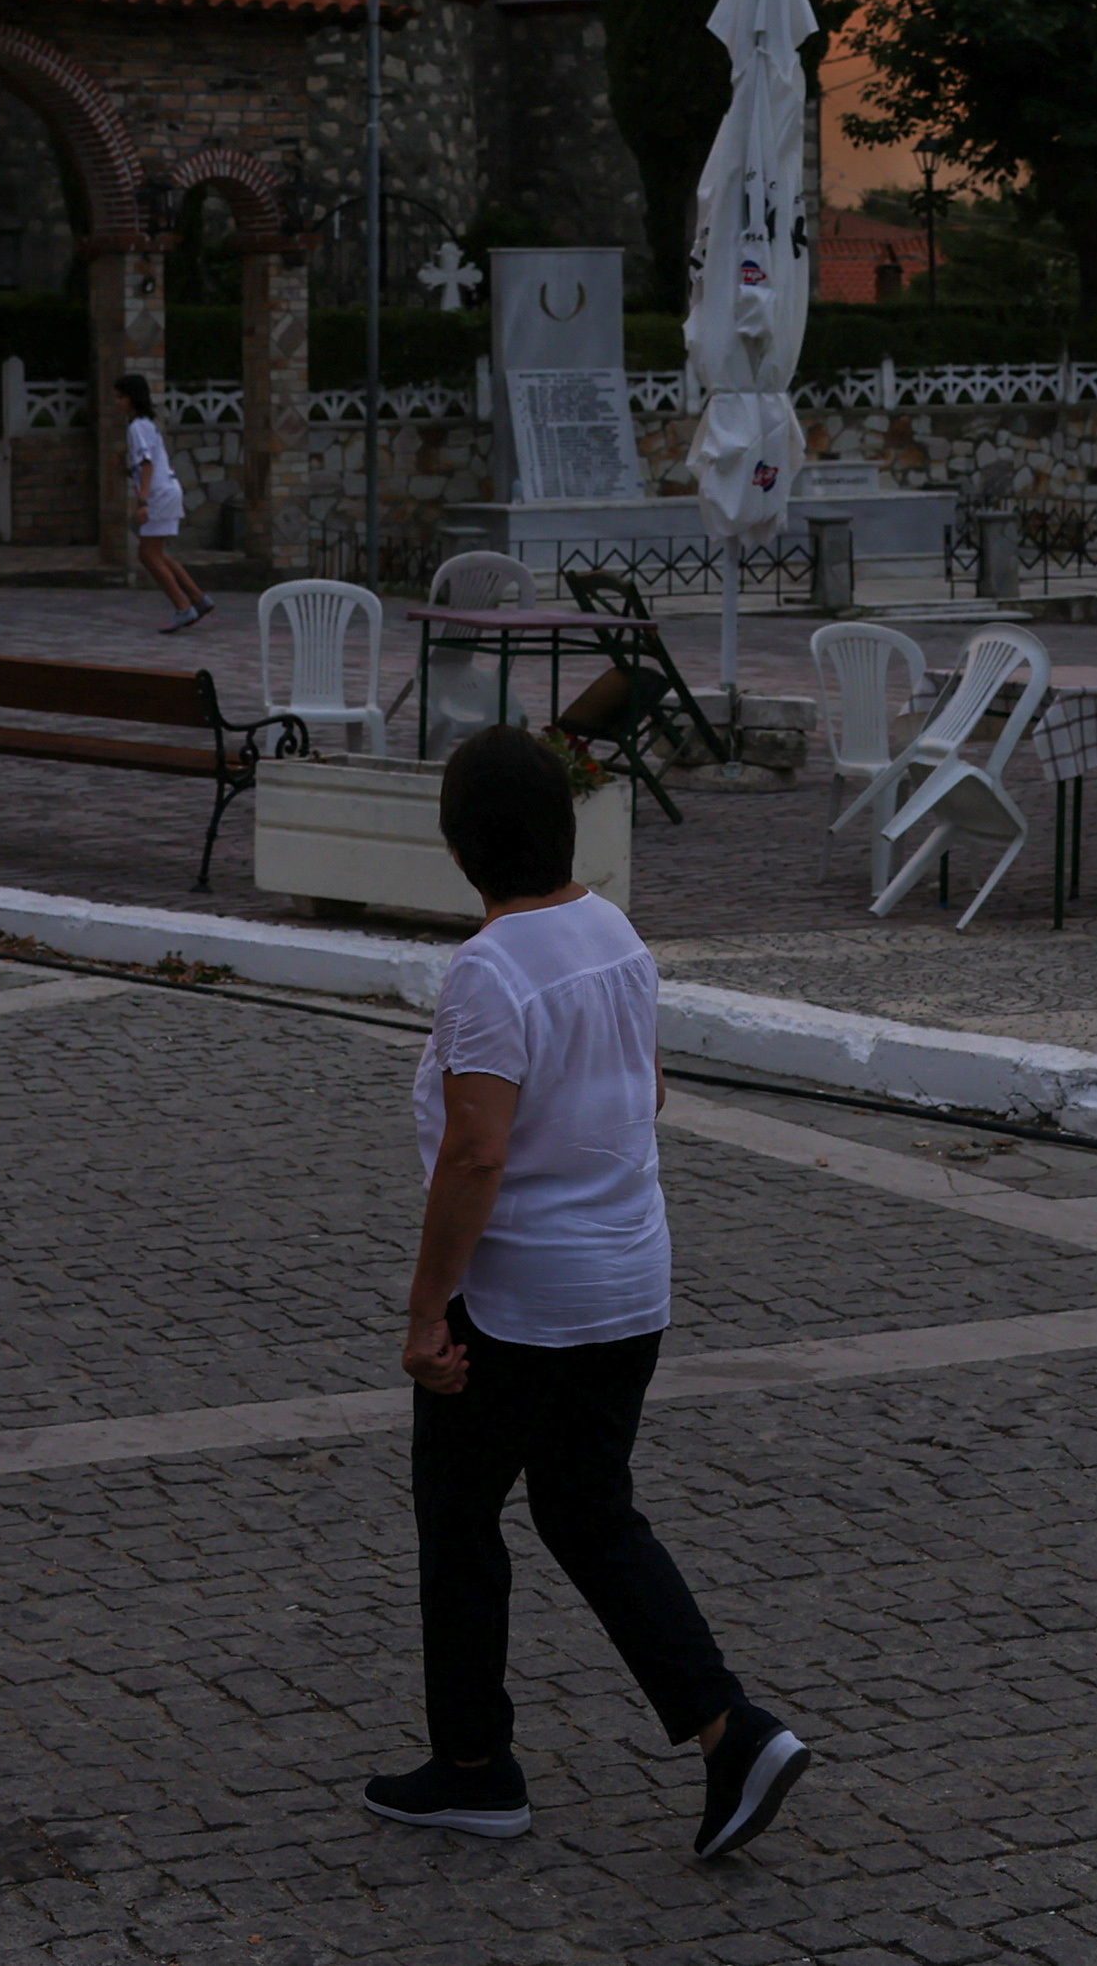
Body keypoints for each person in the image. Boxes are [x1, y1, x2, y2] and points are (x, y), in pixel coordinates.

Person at [368, 726, 811, 1861]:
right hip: (629, 1286)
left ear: (460, 850)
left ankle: (475, 1768)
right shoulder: (612, 930)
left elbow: (476, 1155)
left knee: (461, 1519)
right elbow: (645, 1090)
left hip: (520, 1308)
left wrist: (427, 1314)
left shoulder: (489, 970)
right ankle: (731, 1733)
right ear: (566, 829)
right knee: (587, 1512)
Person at [120, 369, 207, 633]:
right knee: (157, 552)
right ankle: (197, 599)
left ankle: (183, 607)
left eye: (119, 397)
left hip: (159, 495)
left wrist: (143, 501)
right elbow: (148, 465)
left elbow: (146, 464)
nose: (116, 403)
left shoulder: (137, 428)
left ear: (131, 398)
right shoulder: (147, 425)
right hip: (167, 490)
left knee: (147, 554)